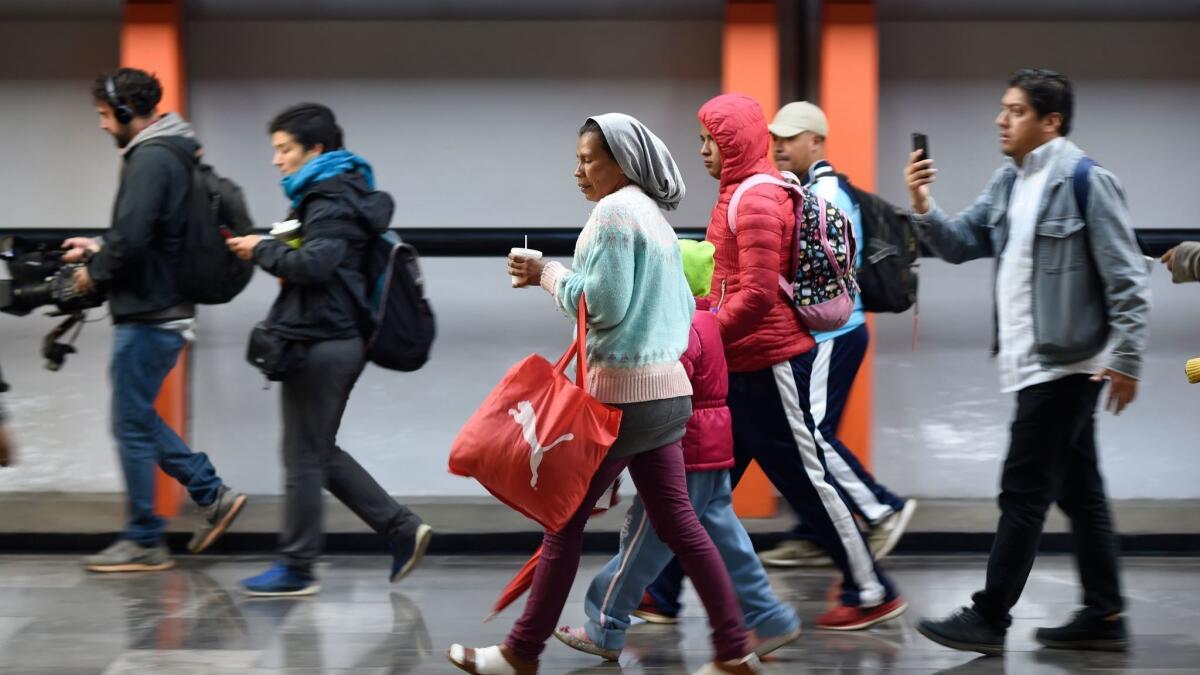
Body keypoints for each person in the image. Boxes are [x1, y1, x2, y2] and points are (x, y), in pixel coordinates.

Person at [447, 113, 761, 675]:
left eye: (589, 160)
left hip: (626, 399)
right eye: (578, 160)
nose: (578, 171)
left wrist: (546, 273)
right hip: (666, 394)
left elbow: (604, 304)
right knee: (681, 525)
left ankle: (521, 653)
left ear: (622, 161)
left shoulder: (615, 214)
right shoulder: (655, 220)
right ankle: (735, 650)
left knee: (563, 521)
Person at [642, 93, 907, 632]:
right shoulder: (737, 192)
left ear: (734, 140)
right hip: (738, 366)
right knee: (700, 482)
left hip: (770, 365)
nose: (702, 152)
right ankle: (660, 591)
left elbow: (759, 295)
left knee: (809, 480)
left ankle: (873, 588)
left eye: (708, 141)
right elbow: (728, 280)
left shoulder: (758, 198)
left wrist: (704, 334)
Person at [906, 69, 1149, 655]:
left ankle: (990, 617)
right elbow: (962, 242)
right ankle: (1105, 615)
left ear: (1051, 121)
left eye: (1014, 110)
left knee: (1022, 492)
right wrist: (922, 205)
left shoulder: (1088, 182)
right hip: (1034, 366)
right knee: (1079, 491)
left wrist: (1129, 358)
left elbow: (1127, 278)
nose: (1000, 119)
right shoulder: (1009, 183)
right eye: (1002, 108)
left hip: (1066, 368)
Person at [553, 238, 802, 662]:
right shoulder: (709, 320)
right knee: (726, 539)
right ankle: (769, 617)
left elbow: (657, 386)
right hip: (713, 450)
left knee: (640, 545)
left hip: (681, 451)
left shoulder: (677, 328)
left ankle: (605, 625)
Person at [226, 103, 432, 596]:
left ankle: (298, 567)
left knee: (301, 457)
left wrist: (261, 249)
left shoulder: (328, 197)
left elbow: (317, 264)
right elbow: (326, 262)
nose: (277, 160)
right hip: (333, 337)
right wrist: (277, 247)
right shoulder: (340, 194)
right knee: (317, 451)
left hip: (322, 340)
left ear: (315, 150)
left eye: (285, 150)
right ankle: (401, 529)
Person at [62, 67, 246, 572]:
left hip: (150, 312)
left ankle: (145, 539)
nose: (102, 125)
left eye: (104, 115)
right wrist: (100, 247)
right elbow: (149, 234)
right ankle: (212, 494)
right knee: (134, 418)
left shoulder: (151, 157)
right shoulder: (171, 154)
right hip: (160, 308)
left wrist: (93, 273)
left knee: (130, 422)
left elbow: (137, 236)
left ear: (125, 113)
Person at [757, 100, 916, 568]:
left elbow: (818, 269)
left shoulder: (823, 194)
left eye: (790, 137)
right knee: (806, 432)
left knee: (813, 433)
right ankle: (814, 532)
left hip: (833, 332)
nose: (779, 146)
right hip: (832, 332)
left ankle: (883, 509)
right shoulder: (814, 189)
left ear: (816, 141)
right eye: (776, 138)